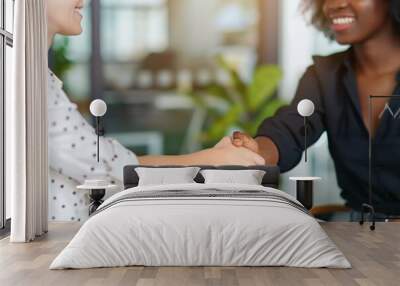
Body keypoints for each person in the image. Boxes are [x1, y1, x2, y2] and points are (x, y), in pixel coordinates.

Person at [46, 0, 264, 222]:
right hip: (64, 246)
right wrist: (211, 160)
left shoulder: (40, 80)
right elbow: (109, 167)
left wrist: (214, 157)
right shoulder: (34, 84)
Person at [233, 0, 400, 217]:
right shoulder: (324, 77)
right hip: (359, 235)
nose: (335, 4)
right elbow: (288, 132)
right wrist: (257, 152)